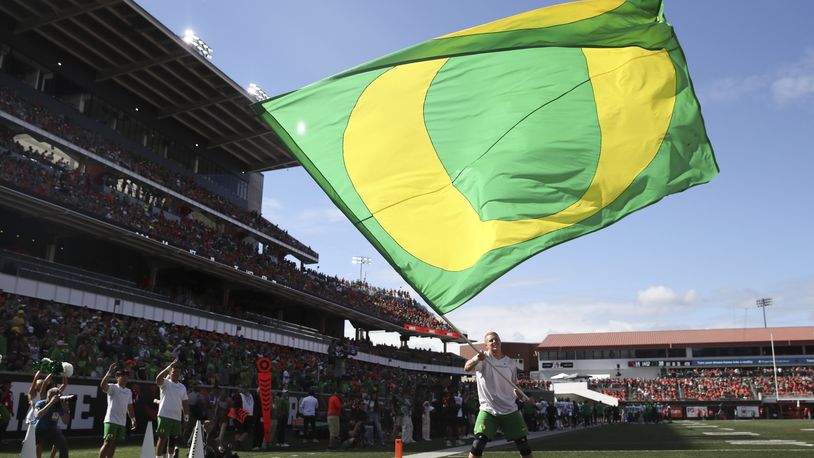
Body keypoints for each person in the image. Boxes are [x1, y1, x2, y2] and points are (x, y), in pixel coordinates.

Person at [464, 332, 533, 458]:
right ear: (486, 345)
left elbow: (514, 387)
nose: (494, 342)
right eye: (491, 341)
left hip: (509, 409)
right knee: (478, 444)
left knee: (524, 447)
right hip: (488, 409)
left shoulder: (510, 363)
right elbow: (467, 368)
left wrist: (524, 398)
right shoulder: (482, 358)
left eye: (496, 339)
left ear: (500, 342)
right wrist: (476, 359)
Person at [99, 364, 136, 458]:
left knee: (114, 444)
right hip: (111, 420)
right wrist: (109, 372)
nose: (125, 378)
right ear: (117, 378)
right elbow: (103, 386)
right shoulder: (113, 387)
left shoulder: (128, 391)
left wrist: (133, 419)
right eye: (123, 376)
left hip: (122, 422)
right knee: (107, 443)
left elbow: (130, 407)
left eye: (126, 376)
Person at [155, 359, 189, 458]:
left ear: (180, 373)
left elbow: (185, 403)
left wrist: (186, 418)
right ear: (170, 372)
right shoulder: (165, 382)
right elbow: (158, 379)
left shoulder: (182, 387)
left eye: (177, 371)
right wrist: (169, 366)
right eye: (173, 371)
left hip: (177, 417)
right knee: (162, 438)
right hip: (164, 415)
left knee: (173, 439)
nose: (175, 373)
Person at [34, 388, 71, 458]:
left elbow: (65, 422)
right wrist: (51, 403)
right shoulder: (41, 403)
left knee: (63, 446)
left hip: (52, 430)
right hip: (39, 429)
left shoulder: (59, 406)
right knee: (37, 445)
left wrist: (66, 410)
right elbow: (37, 416)